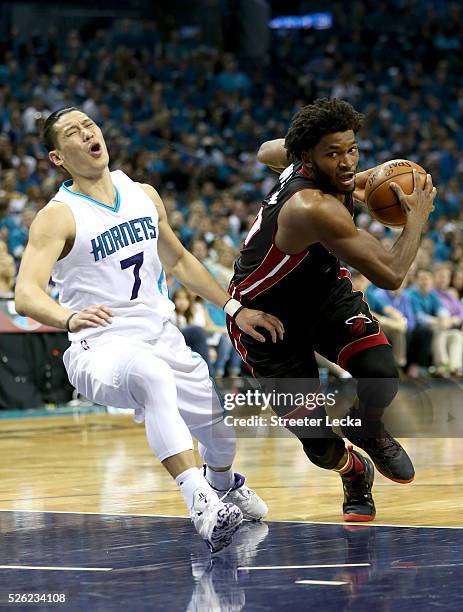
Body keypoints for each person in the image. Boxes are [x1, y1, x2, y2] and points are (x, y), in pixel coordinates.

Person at [14, 107, 285, 553]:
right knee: (151, 376)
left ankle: (223, 484)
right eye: (72, 134)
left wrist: (234, 309)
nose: (86, 135)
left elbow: (178, 261)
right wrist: (67, 318)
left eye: (90, 126)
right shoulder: (57, 216)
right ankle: (201, 504)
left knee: (220, 436)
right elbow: (26, 293)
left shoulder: (141, 194)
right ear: (56, 158)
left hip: (162, 337)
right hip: (98, 345)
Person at [227, 98, 436, 522]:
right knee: (318, 444)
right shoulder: (311, 207)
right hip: (265, 319)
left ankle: (367, 428)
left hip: (322, 293)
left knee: (379, 372)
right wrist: (415, 218)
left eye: (352, 149)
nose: (346, 162)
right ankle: (352, 470)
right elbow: (392, 274)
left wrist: (352, 175)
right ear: (308, 156)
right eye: (333, 153)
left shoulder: (297, 160)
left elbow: (265, 150)